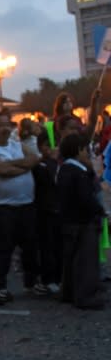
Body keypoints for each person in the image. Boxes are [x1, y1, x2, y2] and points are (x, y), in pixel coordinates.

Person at [0, 110, 44, 301]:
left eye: (7, 124)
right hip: (4, 207)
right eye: (0, 125)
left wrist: (12, 165)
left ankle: (31, 283)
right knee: (3, 249)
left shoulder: (18, 145)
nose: (5, 128)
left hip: (27, 205)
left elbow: (35, 159)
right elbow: (2, 170)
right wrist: (22, 165)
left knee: (30, 246)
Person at [56, 133, 106, 310]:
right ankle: (86, 296)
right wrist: (100, 211)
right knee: (85, 262)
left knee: (71, 260)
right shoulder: (78, 173)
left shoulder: (64, 170)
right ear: (79, 150)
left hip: (69, 223)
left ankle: (68, 292)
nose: (88, 154)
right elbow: (86, 199)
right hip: (83, 223)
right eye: (86, 150)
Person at [33, 131, 62, 295]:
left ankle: (57, 277)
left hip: (58, 211)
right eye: (47, 145)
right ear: (40, 147)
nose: (52, 149)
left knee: (58, 246)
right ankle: (47, 279)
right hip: (44, 211)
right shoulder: (40, 165)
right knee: (47, 247)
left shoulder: (59, 163)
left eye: (54, 145)